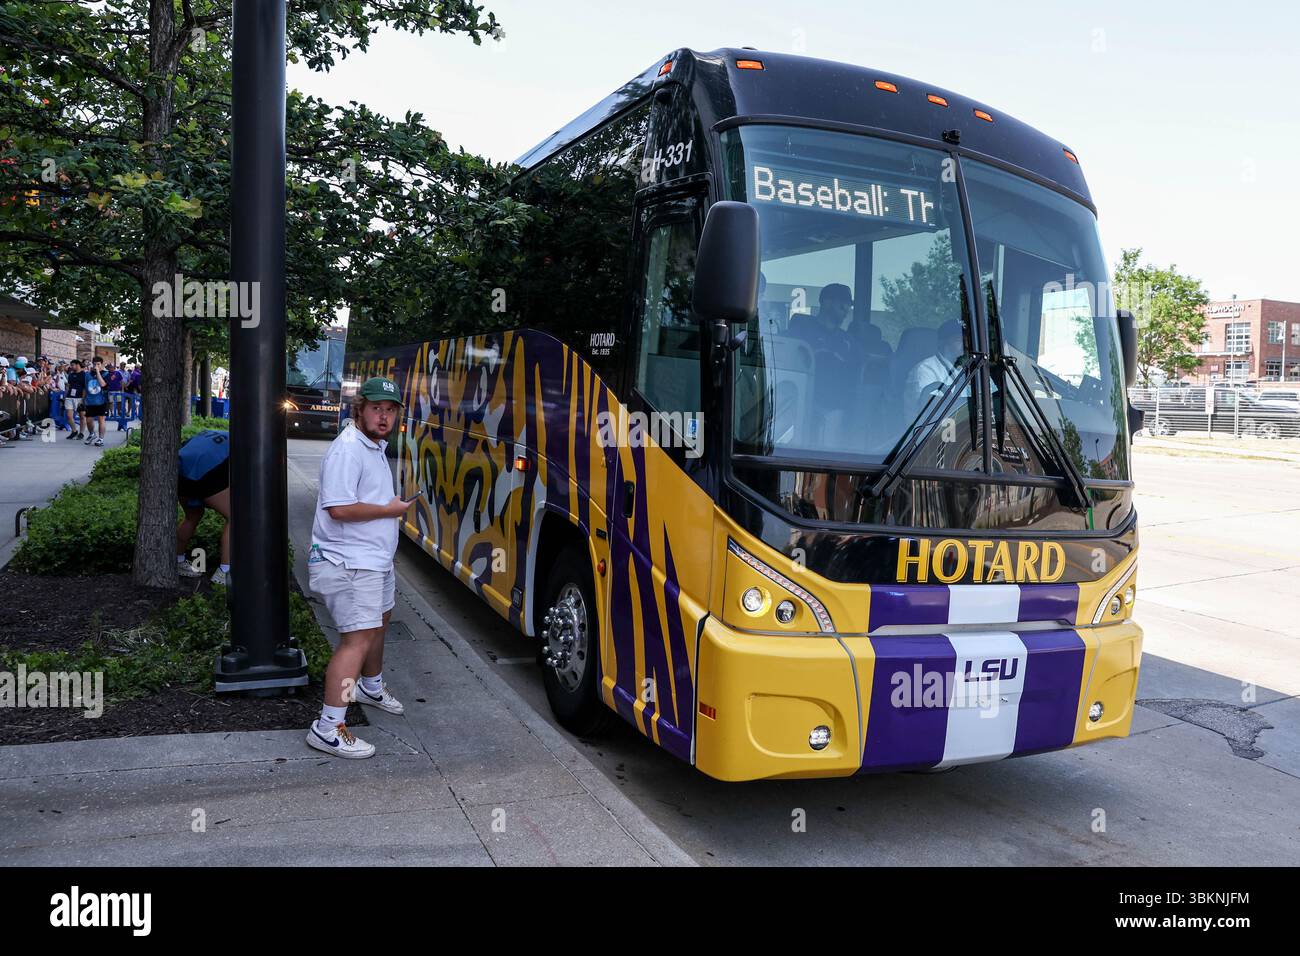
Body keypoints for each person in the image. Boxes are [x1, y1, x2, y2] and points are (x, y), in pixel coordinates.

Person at [306, 376, 410, 759]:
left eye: (390, 410)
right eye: (376, 408)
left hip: (373, 561)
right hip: (349, 563)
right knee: (356, 641)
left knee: (379, 622)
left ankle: (371, 686)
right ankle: (328, 727)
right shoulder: (349, 449)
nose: (383, 417)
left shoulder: (373, 445)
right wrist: (389, 510)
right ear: (360, 409)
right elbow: (338, 508)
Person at [175, 429, 231, 585]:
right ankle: (225, 572)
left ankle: (177, 560)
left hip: (181, 472)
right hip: (206, 474)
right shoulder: (244, 444)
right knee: (236, 518)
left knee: (192, 517)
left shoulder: (211, 433)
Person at [903, 319, 966, 419]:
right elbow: (933, 409)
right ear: (943, 342)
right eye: (959, 340)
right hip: (932, 427)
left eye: (967, 340)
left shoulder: (975, 366)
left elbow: (990, 397)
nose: (966, 344)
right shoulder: (925, 369)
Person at [82, 357, 109, 446]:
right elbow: (85, 388)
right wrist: (82, 399)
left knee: (101, 420)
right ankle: (92, 434)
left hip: (101, 401)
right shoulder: (87, 374)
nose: (96, 366)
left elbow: (103, 384)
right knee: (88, 420)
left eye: (98, 364)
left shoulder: (106, 374)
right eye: (94, 364)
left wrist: (97, 372)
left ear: (102, 364)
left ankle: (100, 439)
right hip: (89, 401)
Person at [64, 359, 86, 439]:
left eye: (72, 365)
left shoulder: (84, 375)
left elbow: (85, 388)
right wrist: (65, 396)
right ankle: (74, 431)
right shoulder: (70, 375)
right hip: (70, 397)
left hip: (80, 397)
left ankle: (81, 433)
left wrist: (83, 399)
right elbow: (68, 386)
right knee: (69, 416)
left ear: (77, 365)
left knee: (82, 416)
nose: (71, 367)